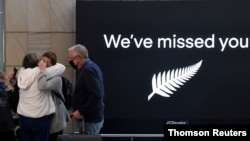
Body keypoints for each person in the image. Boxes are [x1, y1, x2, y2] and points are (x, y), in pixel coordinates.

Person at [16, 52, 65, 141]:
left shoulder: (21, 73)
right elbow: (62, 67)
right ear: (38, 62)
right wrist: (43, 67)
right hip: (39, 118)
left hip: (23, 117)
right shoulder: (41, 71)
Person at [68, 44, 105, 135]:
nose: (69, 61)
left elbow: (96, 95)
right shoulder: (91, 67)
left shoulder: (88, 70)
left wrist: (81, 111)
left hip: (89, 120)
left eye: (71, 58)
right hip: (88, 119)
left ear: (78, 58)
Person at [40, 51, 70, 141]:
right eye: (42, 61)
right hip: (46, 115)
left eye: (46, 62)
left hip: (56, 117)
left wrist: (41, 72)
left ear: (53, 67)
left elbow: (43, 86)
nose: (42, 64)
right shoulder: (42, 75)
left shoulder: (57, 79)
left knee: (54, 137)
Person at [0, 71, 16, 141]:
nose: (2, 84)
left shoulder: (6, 89)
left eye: (3, 81)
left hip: (8, 125)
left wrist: (10, 93)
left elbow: (13, 106)